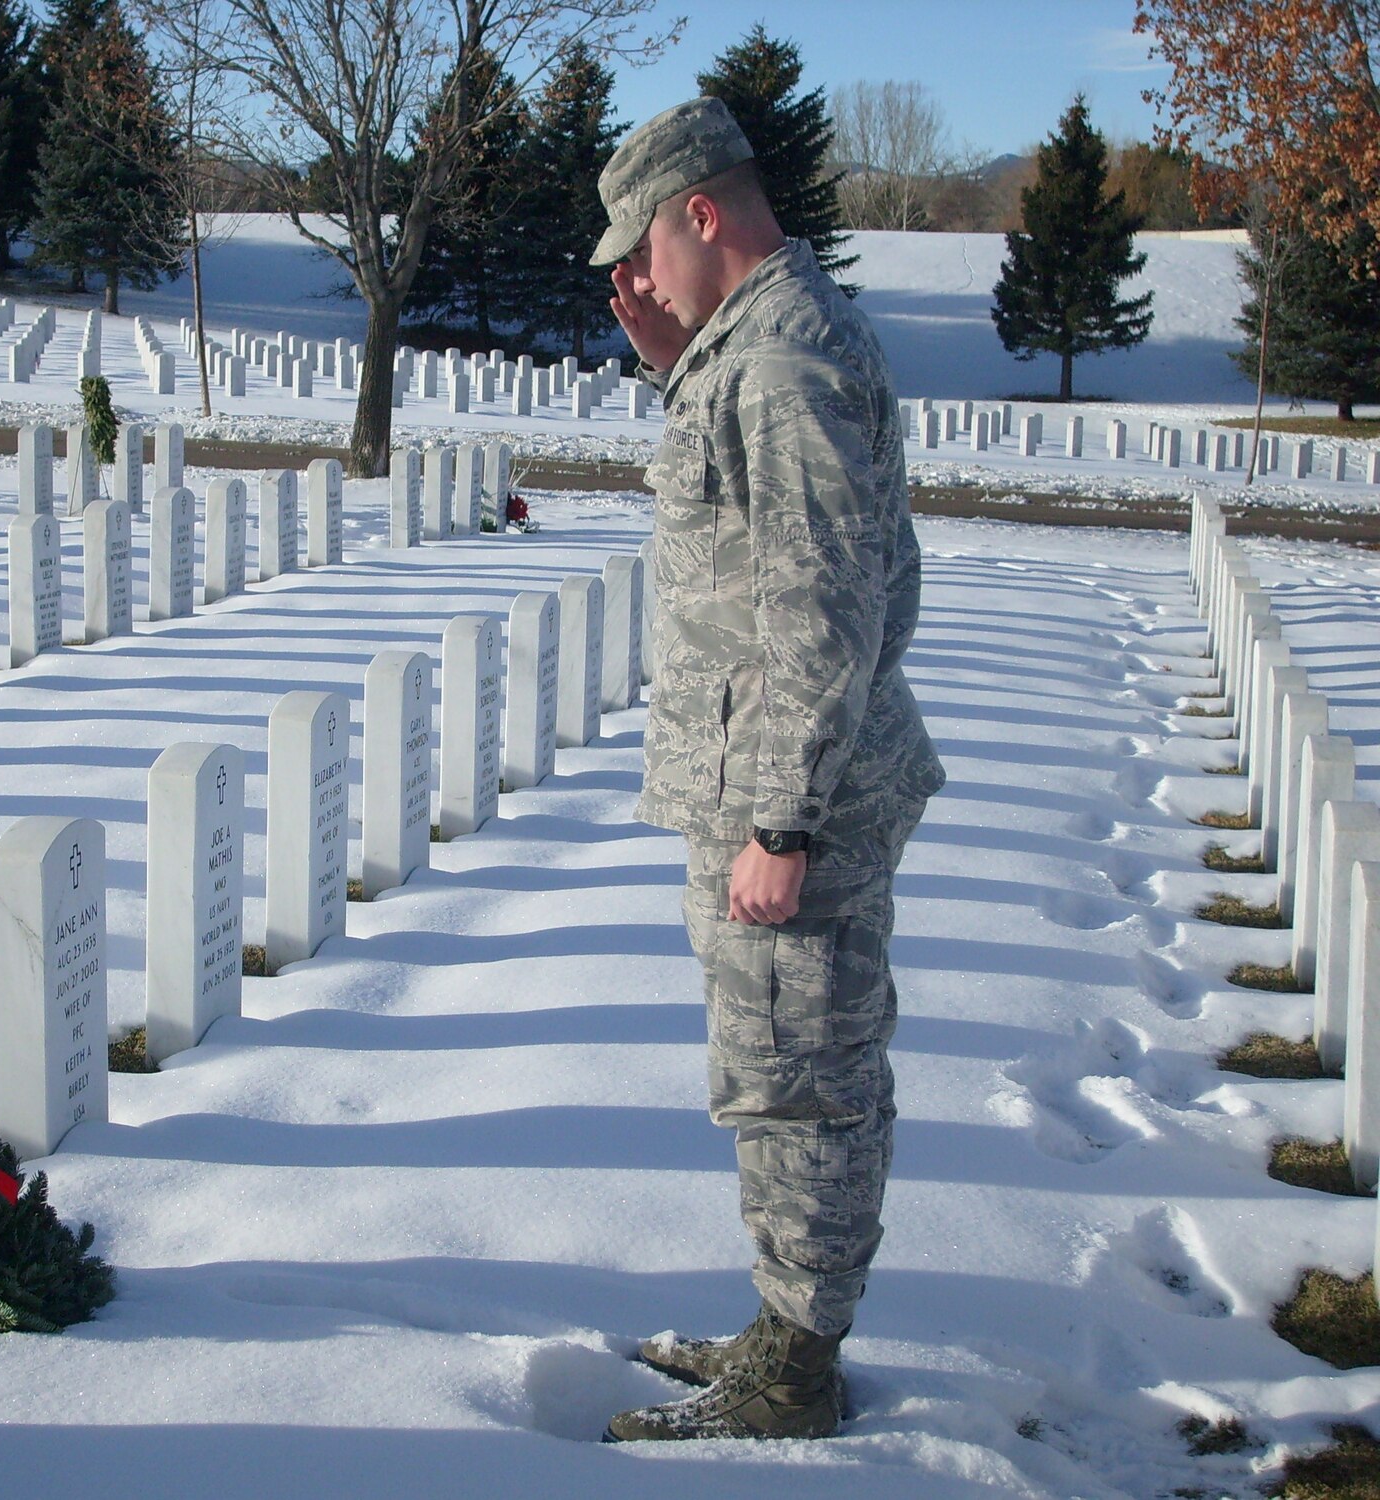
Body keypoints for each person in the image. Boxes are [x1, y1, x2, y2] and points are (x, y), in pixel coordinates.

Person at [592, 96, 946, 1442]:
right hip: (761, 782)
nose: (629, 277)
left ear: (702, 208)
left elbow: (820, 604)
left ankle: (796, 1371)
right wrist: (672, 357)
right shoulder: (749, 344)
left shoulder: (786, 360)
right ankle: (783, 1323)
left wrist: (783, 828)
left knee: (801, 1075)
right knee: (780, 1071)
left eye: (639, 246)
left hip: (788, 797)